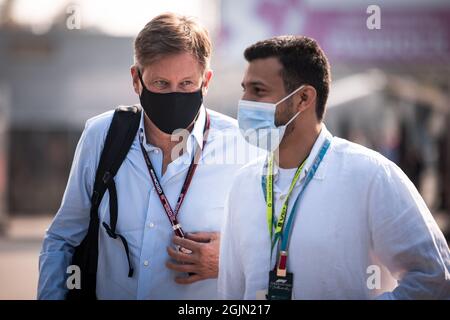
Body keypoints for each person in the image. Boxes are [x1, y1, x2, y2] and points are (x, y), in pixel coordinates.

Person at [38, 13, 254, 299]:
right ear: (136, 80)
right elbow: (63, 239)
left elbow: (280, 252)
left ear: (206, 81)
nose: (174, 95)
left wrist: (230, 262)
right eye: (161, 84)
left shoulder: (244, 148)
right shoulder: (101, 136)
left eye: (187, 84)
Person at [218, 35, 450, 299]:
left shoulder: (370, 175)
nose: (244, 102)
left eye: (258, 90)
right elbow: (231, 294)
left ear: (303, 98)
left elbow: (434, 277)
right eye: (244, 89)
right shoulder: (244, 183)